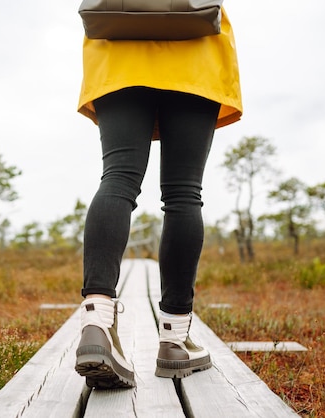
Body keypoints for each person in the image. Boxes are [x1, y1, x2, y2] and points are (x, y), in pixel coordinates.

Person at [74, 8, 243, 389]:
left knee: (117, 178)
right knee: (184, 193)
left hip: (117, 48)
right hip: (194, 52)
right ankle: (175, 339)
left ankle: (97, 324)